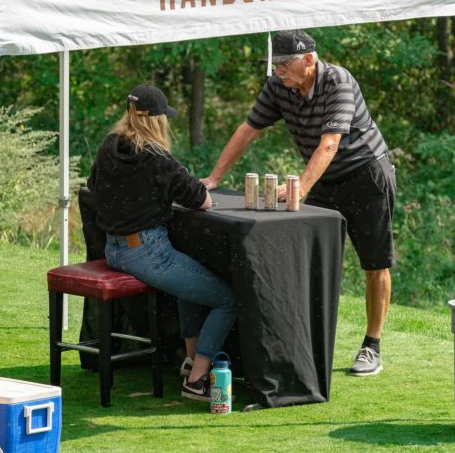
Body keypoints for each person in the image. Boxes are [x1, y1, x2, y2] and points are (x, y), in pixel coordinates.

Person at [202, 29, 395, 377]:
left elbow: (330, 145)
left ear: (309, 59)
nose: (277, 72)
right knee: (309, 263)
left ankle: (372, 345)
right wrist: (214, 178)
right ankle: (306, 344)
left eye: (283, 64)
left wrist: (302, 188)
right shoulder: (278, 86)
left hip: (365, 175)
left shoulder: (339, 81)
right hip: (322, 179)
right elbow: (248, 129)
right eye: (273, 66)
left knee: (374, 263)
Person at [88, 83, 237, 401]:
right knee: (227, 299)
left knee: (189, 281)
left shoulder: (108, 146)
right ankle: (197, 381)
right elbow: (202, 200)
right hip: (146, 252)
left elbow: (93, 186)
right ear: (157, 120)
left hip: (114, 249)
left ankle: (189, 360)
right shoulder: (157, 158)